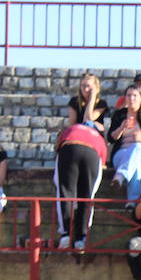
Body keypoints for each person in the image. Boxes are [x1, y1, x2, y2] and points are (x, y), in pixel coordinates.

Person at [56, 73, 109, 250]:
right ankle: (67, 234)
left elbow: (89, 119)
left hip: (90, 146)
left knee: (84, 194)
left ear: (96, 87)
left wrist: (93, 98)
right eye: (83, 86)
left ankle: (80, 236)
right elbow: (73, 122)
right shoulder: (74, 101)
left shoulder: (101, 103)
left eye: (89, 86)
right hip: (77, 140)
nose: (85, 89)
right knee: (68, 191)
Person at [108, 85, 141, 203]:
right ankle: (133, 202)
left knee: (136, 147)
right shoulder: (119, 115)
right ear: (125, 98)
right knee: (135, 164)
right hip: (121, 154)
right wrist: (120, 128)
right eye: (129, 95)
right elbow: (111, 138)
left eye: (135, 95)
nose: (131, 98)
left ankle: (120, 176)